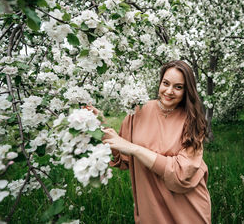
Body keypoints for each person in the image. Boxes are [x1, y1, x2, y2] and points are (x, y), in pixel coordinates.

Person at [86, 60, 211, 223]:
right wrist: (100, 124)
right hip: (150, 209)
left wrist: (136, 149)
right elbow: (123, 157)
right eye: (165, 83)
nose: (169, 91)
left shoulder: (193, 121)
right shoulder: (138, 111)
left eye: (178, 87)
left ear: (187, 91)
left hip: (187, 210)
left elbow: (181, 173)